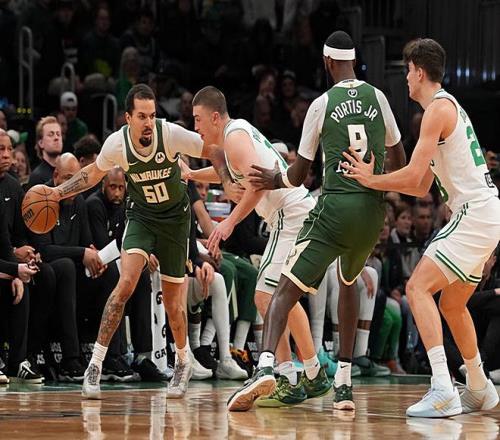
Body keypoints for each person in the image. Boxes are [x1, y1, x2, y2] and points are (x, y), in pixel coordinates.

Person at [238, 30, 406, 411]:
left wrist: (274, 179)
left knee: (283, 287)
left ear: (327, 62)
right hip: (372, 214)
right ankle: (344, 385)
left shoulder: (322, 104)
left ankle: (266, 366)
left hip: (335, 209)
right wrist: (373, 177)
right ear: (354, 60)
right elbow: (400, 162)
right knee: (348, 282)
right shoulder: (379, 98)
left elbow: (299, 175)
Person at [341, 38, 500, 417]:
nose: (407, 79)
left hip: (474, 212)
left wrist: (370, 178)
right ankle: (479, 387)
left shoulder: (437, 110)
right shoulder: (446, 109)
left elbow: (414, 179)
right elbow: (421, 184)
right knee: (452, 303)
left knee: (416, 287)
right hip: (486, 215)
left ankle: (442, 387)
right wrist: (378, 178)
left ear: (420, 71)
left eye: (409, 71)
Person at [41, 84, 224, 400]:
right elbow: (92, 174)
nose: (148, 122)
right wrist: (58, 192)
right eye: (142, 116)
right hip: (141, 217)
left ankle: (183, 361)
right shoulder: (117, 144)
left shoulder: (171, 134)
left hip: (174, 221)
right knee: (125, 283)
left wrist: (227, 176)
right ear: (128, 118)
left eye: (152, 115)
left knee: (173, 304)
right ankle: (95, 365)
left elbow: (215, 149)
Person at [191, 86, 332, 410]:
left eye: (198, 119)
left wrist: (228, 223)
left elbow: (256, 186)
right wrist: (190, 173)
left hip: (288, 215)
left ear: (215, 117)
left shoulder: (234, 137)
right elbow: (229, 173)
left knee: (265, 295)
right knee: (280, 296)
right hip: (297, 213)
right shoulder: (236, 137)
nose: (196, 126)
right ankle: (304, 373)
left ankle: (293, 375)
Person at [28, 116, 63, 188]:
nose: (56, 138)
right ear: (41, 143)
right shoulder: (37, 177)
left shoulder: (68, 170)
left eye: (58, 134)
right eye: (51, 134)